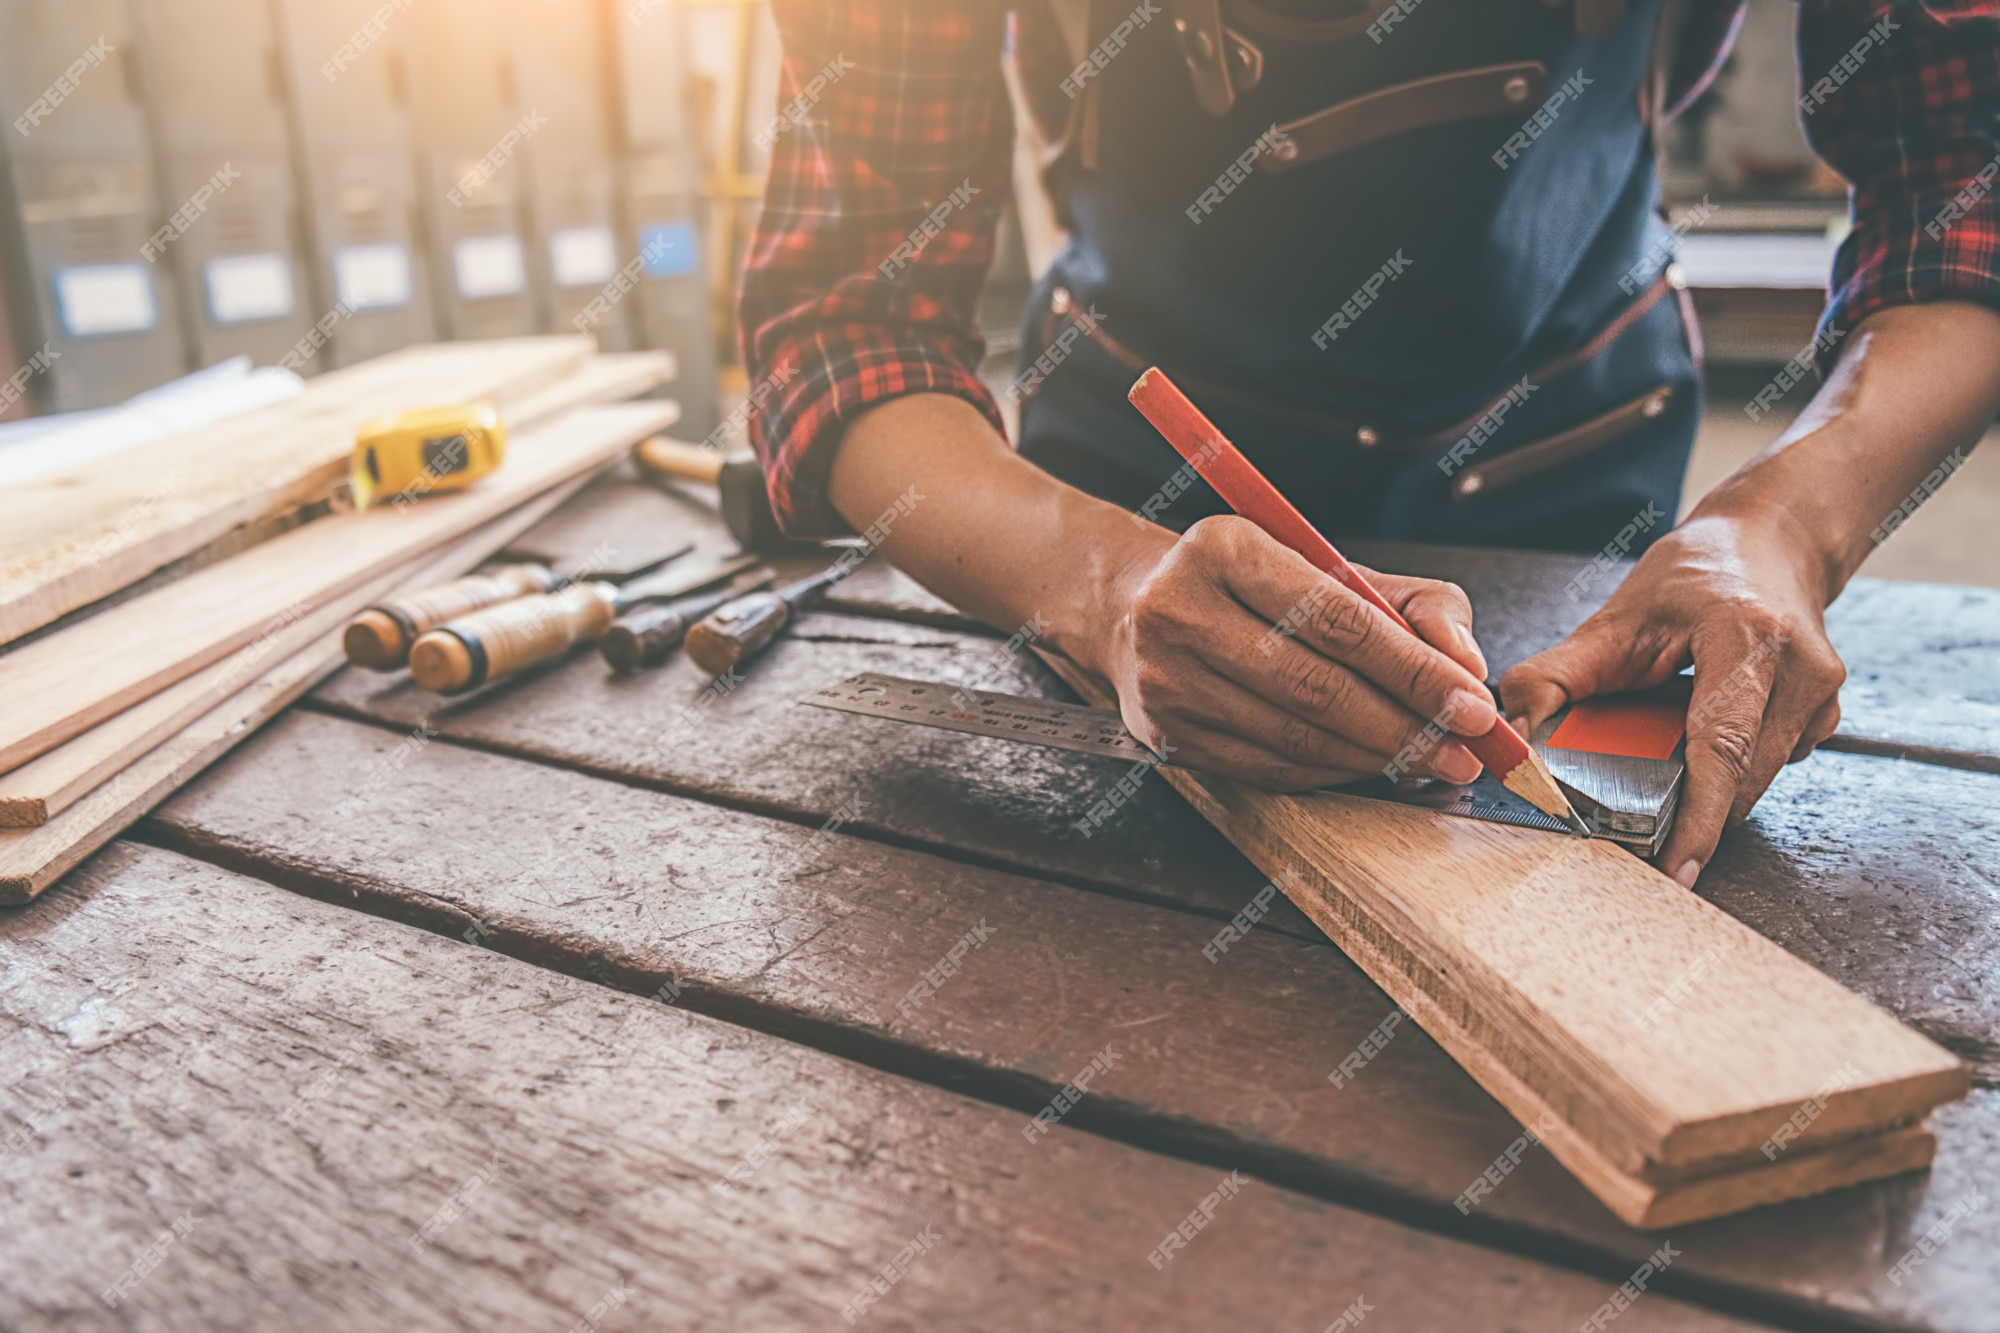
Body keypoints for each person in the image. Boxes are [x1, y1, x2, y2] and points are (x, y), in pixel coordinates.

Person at [737, 0, 2000, 886]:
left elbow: (1967, 185)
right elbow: (844, 321)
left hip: (1582, 477)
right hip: (1118, 508)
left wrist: (1779, 524)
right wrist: (1099, 587)